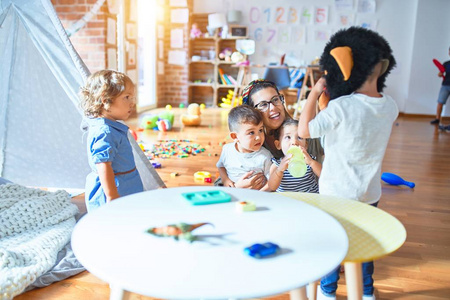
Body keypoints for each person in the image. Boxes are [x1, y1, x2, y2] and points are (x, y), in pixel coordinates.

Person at [298, 27, 399, 300]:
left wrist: (314, 91)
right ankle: (366, 293)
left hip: (336, 193)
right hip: (369, 193)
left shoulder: (341, 109)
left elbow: (305, 131)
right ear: (382, 68)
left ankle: (328, 292)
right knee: (366, 245)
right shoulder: (390, 106)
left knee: (333, 242)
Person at [80, 70, 143, 212]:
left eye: (132, 98)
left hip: (125, 186)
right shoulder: (105, 131)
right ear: (106, 100)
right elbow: (103, 164)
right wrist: (112, 196)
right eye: (127, 97)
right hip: (114, 190)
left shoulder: (110, 128)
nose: (132, 103)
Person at [242, 79, 324, 163]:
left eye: (275, 99)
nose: (273, 107)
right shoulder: (254, 144)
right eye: (263, 104)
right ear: (253, 112)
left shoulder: (305, 131)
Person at [216, 105, 272, 190]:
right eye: (251, 133)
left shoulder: (265, 156)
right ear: (235, 136)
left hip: (256, 194)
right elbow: (221, 166)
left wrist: (261, 193)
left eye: (260, 130)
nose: (258, 137)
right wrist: (225, 180)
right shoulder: (227, 150)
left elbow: (271, 181)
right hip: (233, 191)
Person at [268, 119, 320, 192]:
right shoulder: (277, 165)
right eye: (288, 137)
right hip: (287, 201)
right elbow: (272, 187)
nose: (294, 142)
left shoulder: (309, 160)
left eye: (299, 138)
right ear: (278, 144)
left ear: (306, 145)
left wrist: (312, 163)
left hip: (310, 199)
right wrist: (280, 170)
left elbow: (325, 176)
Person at [430, 47, 450, 131]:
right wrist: (440, 74)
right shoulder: (446, 63)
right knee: (440, 102)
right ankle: (437, 119)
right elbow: (440, 73)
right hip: (445, 85)